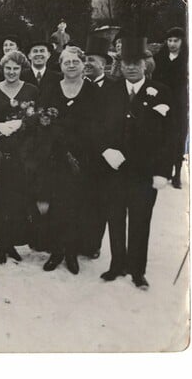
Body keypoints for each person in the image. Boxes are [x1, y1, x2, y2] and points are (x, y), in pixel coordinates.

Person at [100, 36, 173, 289]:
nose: (131, 67)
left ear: (145, 64)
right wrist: (105, 150)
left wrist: (164, 171)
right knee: (115, 218)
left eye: (136, 62)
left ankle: (137, 270)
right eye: (126, 63)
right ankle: (116, 264)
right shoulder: (109, 91)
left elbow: (171, 136)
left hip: (145, 172)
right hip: (115, 170)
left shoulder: (161, 92)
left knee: (141, 221)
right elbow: (97, 127)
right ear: (120, 65)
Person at [38, 47, 102, 275]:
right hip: (55, 156)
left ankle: (72, 252)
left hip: (83, 158)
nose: (72, 65)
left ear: (83, 64)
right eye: (67, 62)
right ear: (61, 65)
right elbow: (42, 120)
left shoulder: (93, 91)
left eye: (76, 61)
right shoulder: (51, 89)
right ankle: (56, 251)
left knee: (78, 205)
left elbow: (98, 124)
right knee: (56, 204)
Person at [0, 50, 38, 264]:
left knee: (18, 199)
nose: (11, 72)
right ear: (2, 69)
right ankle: (1, 244)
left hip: (24, 153)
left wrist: (23, 124)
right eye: (8, 68)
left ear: (22, 69)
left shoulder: (31, 90)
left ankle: (13, 242)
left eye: (16, 68)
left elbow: (38, 118)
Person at [81, 36, 117, 258]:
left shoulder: (115, 87)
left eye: (92, 60)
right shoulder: (77, 83)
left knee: (98, 202)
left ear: (104, 64)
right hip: (79, 154)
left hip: (102, 155)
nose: (86, 63)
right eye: (84, 59)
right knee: (78, 199)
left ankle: (93, 244)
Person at [153, 27, 188, 189]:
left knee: (178, 135)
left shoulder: (187, 58)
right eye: (170, 40)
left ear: (182, 42)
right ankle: (163, 171)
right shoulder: (159, 58)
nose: (172, 44)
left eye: (176, 40)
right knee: (161, 135)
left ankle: (177, 174)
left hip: (180, 102)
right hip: (163, 100)